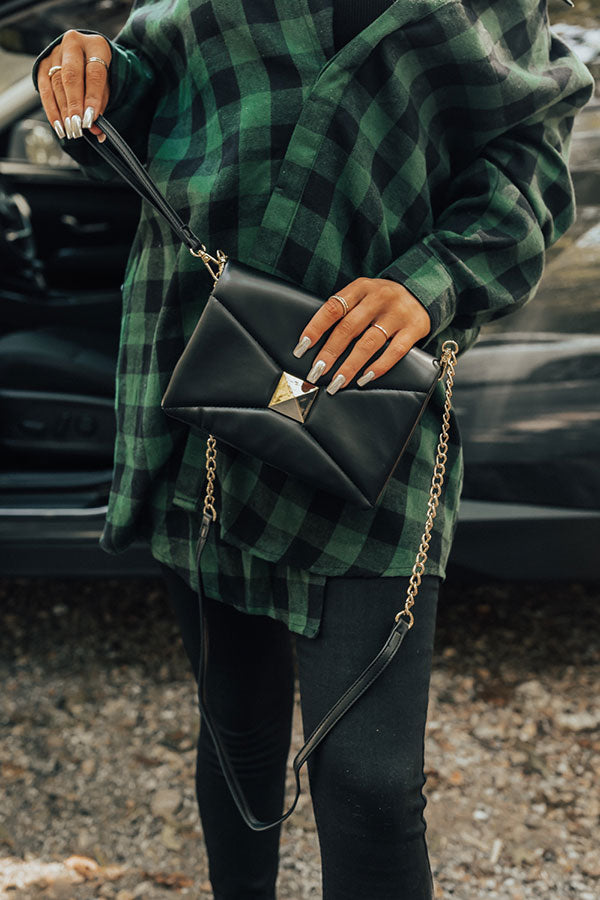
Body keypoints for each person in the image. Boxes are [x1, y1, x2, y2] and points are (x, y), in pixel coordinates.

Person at [32, 2, 593, 897]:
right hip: (205, 369)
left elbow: (529, 162)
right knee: (238, 733)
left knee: (372, 785)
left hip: (373, 398)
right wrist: (84, 67)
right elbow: (139, 96)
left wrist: (433, 281)